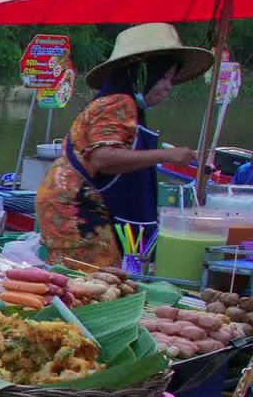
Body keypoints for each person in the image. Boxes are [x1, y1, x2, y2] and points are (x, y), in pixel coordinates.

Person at [36, 23, 210, 268]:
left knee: (88, 278)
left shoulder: (123, 104)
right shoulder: (119, 103)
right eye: (164, 77)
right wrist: (168, 155)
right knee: (95, 277)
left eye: (172, 79)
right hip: (74, 205)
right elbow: (103, 158)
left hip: (73, 201)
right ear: (143, 72)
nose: (168, 86)